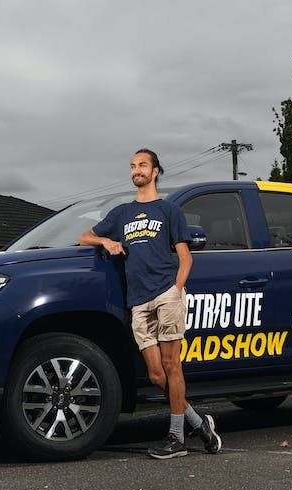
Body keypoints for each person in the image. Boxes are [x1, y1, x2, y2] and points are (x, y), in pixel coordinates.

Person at [79, 148, 222, 459]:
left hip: (165, 293)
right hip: (138, 301)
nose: (136, 170)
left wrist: (176, 290)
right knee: (156, 375)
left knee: (173, 365)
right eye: (132, 166)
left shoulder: (169, 211)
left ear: (155, 171)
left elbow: (186, 258)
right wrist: (107, 240)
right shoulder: (121, 214)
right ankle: (199, 424)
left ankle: (176, 437)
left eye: (142, 165)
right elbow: (84, 236)